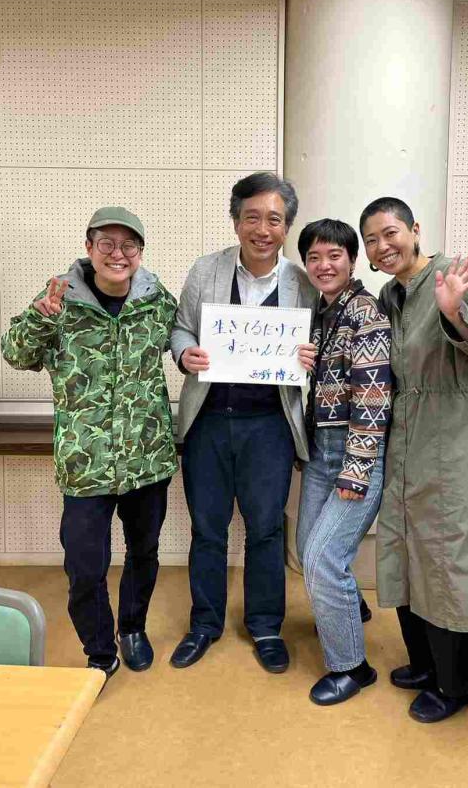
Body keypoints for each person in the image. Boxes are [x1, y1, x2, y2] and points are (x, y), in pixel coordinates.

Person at [1, 207, 178, 679]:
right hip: (86, 463)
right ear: (89, 248)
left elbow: (185, 339)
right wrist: (40, 319)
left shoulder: (156, 300)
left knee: (144, 553)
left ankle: (133, 628)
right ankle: (99, 649)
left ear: (141, 251)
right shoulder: (59, 298)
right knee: (84, 567)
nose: (118, 254)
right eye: (107, 244)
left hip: (147, 458)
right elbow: (16, 353)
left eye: (129, 245)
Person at [360, 197, 468, 723]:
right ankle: (426, 664)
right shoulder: (391, 296)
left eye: (390, 233)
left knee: (453, 555)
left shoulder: (456, 276)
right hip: (410, 439)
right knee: (409, 549)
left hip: (460, 439)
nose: (383, 247)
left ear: (415, 229)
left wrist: (456, 313)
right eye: (372, 240)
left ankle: (458, 684)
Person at [170, 172, 317, 673]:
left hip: (270, 426)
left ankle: (266, 626)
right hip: (209, 421)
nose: (262, 229)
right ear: (236, 222)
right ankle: (204, 624)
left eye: (274, 219)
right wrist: (184, 352)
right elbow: (181, 328)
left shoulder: (302, 283)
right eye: (252, 217)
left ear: (286, 227)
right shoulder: (206, 269)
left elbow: (319, 345)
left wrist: (311, 356)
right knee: (207, 529)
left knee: (266, 530)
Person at [295, 219, 391, 705]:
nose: (323, 265)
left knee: (323, 559)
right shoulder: (320, 312)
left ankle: (352, 666)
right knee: (306, 548)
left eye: (334, 255)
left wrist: (357, 470)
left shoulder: (365, 312)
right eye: (313, 257)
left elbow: (374, 398)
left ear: (352, 260)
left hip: (355, 454)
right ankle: (349, 610)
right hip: (321, 451)